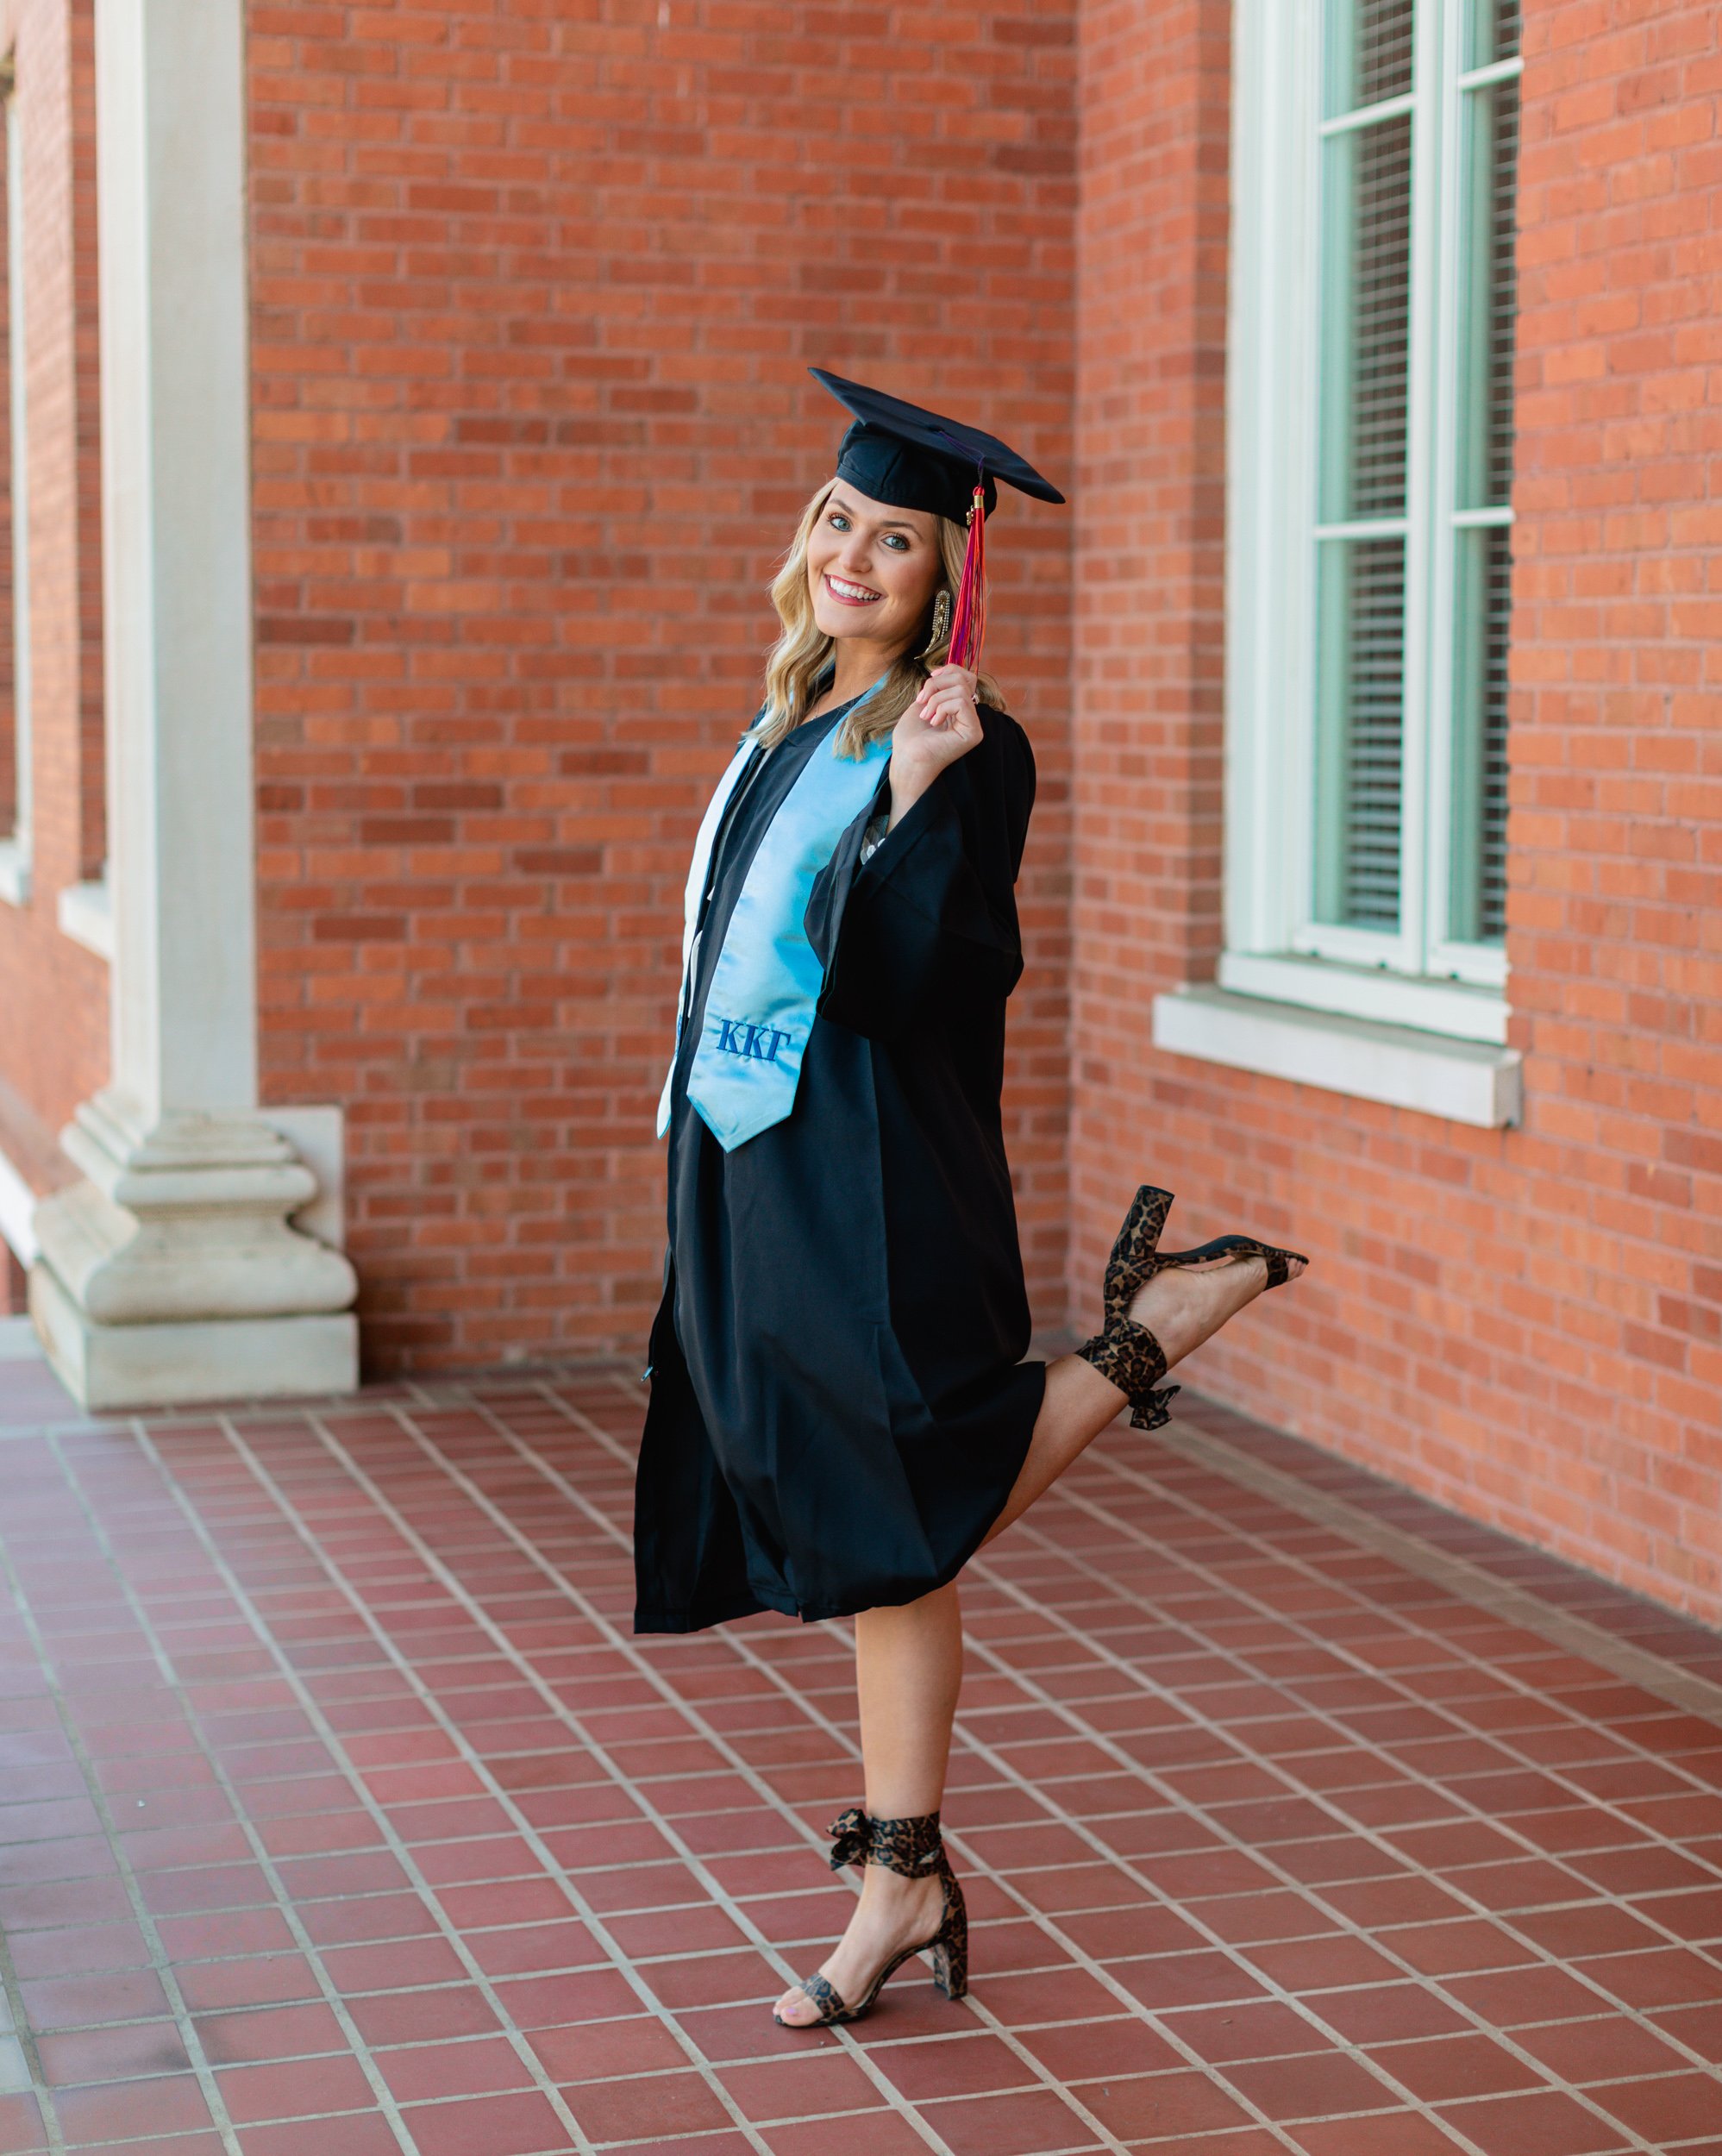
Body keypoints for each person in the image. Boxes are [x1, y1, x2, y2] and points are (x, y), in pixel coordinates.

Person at [632, 368, 1306, 2029]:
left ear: (948, 576)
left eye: (900, 539)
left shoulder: (965, 741)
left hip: (857, 1163)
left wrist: (917, 800)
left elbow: (916, 978)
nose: (856, 554)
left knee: (885, 1515)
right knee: (874, 1540)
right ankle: (906, 1869)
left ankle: (1149, 1337)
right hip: (740, 1158)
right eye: (838, 521)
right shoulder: (784, 714)